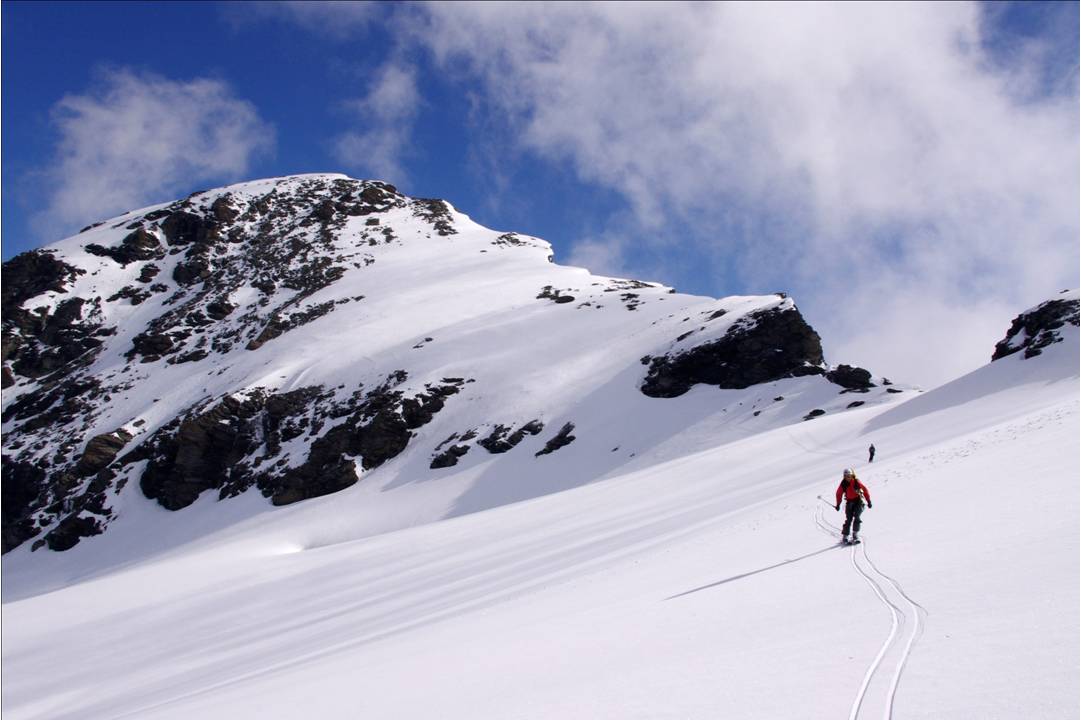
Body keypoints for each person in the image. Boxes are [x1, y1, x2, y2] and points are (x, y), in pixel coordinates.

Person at [835, 468, 872, 544]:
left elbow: (864, 490)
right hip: (849, 502)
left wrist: (868, 501)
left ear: (852, 475)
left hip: (858, 501)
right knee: (848, 519)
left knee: (857, 517)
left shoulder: (856, 482)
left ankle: (855, 534)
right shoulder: (843, 484)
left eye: (849, 476)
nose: (847, 478)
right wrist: (838, 504)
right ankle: (845, 536)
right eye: (846, 476)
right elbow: (839, 494)